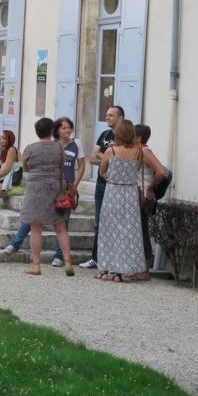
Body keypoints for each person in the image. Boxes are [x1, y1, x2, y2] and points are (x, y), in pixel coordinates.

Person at [3, 116, 83, 264]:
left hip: (40, 188)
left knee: (37, 227)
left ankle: (38, 263)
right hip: (57, 188)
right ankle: (67, 262)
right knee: (60, 227)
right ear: (53, 131)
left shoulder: (31, 148)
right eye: (63, 128)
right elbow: (61, 167)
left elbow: (25, 167)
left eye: (68, 128)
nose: (66, 130)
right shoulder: (59, 147)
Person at [93, 119, 147, 283]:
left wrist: (112, 177)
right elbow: (136, 170)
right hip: (130, 196)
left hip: (113, 193)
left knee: (108, 231)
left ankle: (104, 270)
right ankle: (119, 272)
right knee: (125, 233)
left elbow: (102, 171)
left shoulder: (111, 151)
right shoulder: (139, 152)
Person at [80, 104, 124, 270]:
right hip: (100, 184)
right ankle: (96, 258)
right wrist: (108, 158)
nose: (106, 117)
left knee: (116, 224)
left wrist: (103, 156)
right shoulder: (104, 135)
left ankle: (112, 260)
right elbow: (92, 159)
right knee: (98, 223)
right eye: (106, 114)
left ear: (120, 118)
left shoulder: (126, 137)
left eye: (110, 115)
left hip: (115, 186)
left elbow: (122, 161)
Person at [132, 124, 168, 279]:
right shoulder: (138, 151)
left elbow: (161, 172)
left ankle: (145, 270)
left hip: (144, 197)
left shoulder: (146, 152)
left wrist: (151, 188)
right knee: (139, 230)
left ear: (138, 138)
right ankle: (140, 268)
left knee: (142, 231)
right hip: (138, 196)